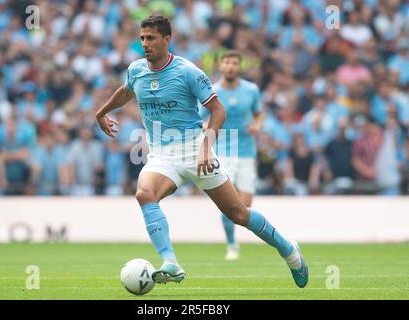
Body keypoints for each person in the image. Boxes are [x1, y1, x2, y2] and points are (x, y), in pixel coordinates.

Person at [95, 15, 308, 288]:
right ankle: (170, 262)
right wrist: (101, 112)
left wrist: (207, 148)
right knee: (144, 193)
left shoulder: (188, 72)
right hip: (161, 154)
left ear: (167, 39)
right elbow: (126, 91)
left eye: (151, 38)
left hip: (195, 149)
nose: (144, 43)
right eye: (142, 38)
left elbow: (219, 110)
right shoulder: (136, 70)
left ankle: (288, 250)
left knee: (238, 214)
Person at [200, 50, 263, 261]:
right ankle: (231, 244)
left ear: (240, 66)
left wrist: (257, 125)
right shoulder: (212, 91)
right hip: (223, 152)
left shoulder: (251, 90)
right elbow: (200, 118)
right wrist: (205, 127)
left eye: (234, 63)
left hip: (247, 152)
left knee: (244, 207)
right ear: (221, 65)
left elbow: (259, 112)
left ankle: (233, 239)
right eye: (226, 62)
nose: (230, 66)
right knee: (229, 203)